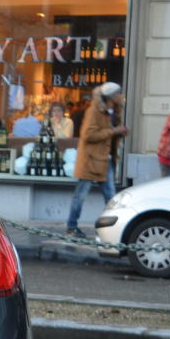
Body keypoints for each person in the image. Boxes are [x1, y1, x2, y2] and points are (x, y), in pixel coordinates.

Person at [66, 82, 129, 239]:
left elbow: (109, 134)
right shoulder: (94, 111)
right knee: (81, 195)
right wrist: (114, 131)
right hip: (91, 160)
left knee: (110, 197)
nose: (121, 97)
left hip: (105, 160)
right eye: (118, 94)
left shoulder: (114, 111)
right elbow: (88, 135)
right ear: (111, 96)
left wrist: (119, 133)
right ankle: (71, 227)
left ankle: (112, 229)